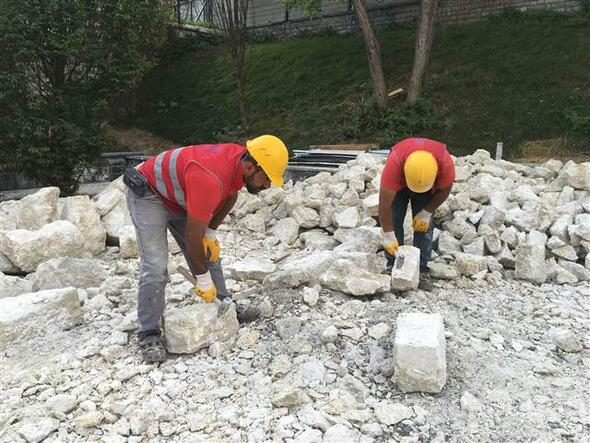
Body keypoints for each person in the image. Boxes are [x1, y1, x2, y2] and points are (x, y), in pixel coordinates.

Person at [125, 135, 289, 362]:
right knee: (155, 266)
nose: (267, 185)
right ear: (251, 167)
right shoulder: (210, 178)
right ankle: (148, 332)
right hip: (149, 194)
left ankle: (225, 304)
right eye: (267, 178)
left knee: (209, 253)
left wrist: (210, 232)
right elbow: (193, 237)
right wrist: (202, 280)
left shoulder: (239, 161)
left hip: (180, 195)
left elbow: (231, 194)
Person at [378, 137, 455, 291]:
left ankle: (422, 269)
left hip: (427, 187)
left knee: (424, 226)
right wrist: (388, 234)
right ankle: (393, 264)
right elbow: (384, 204)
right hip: (400, 185)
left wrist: (426, 212)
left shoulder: (445, 163)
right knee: (394, 218)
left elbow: (445, 190)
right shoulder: (395, 163)